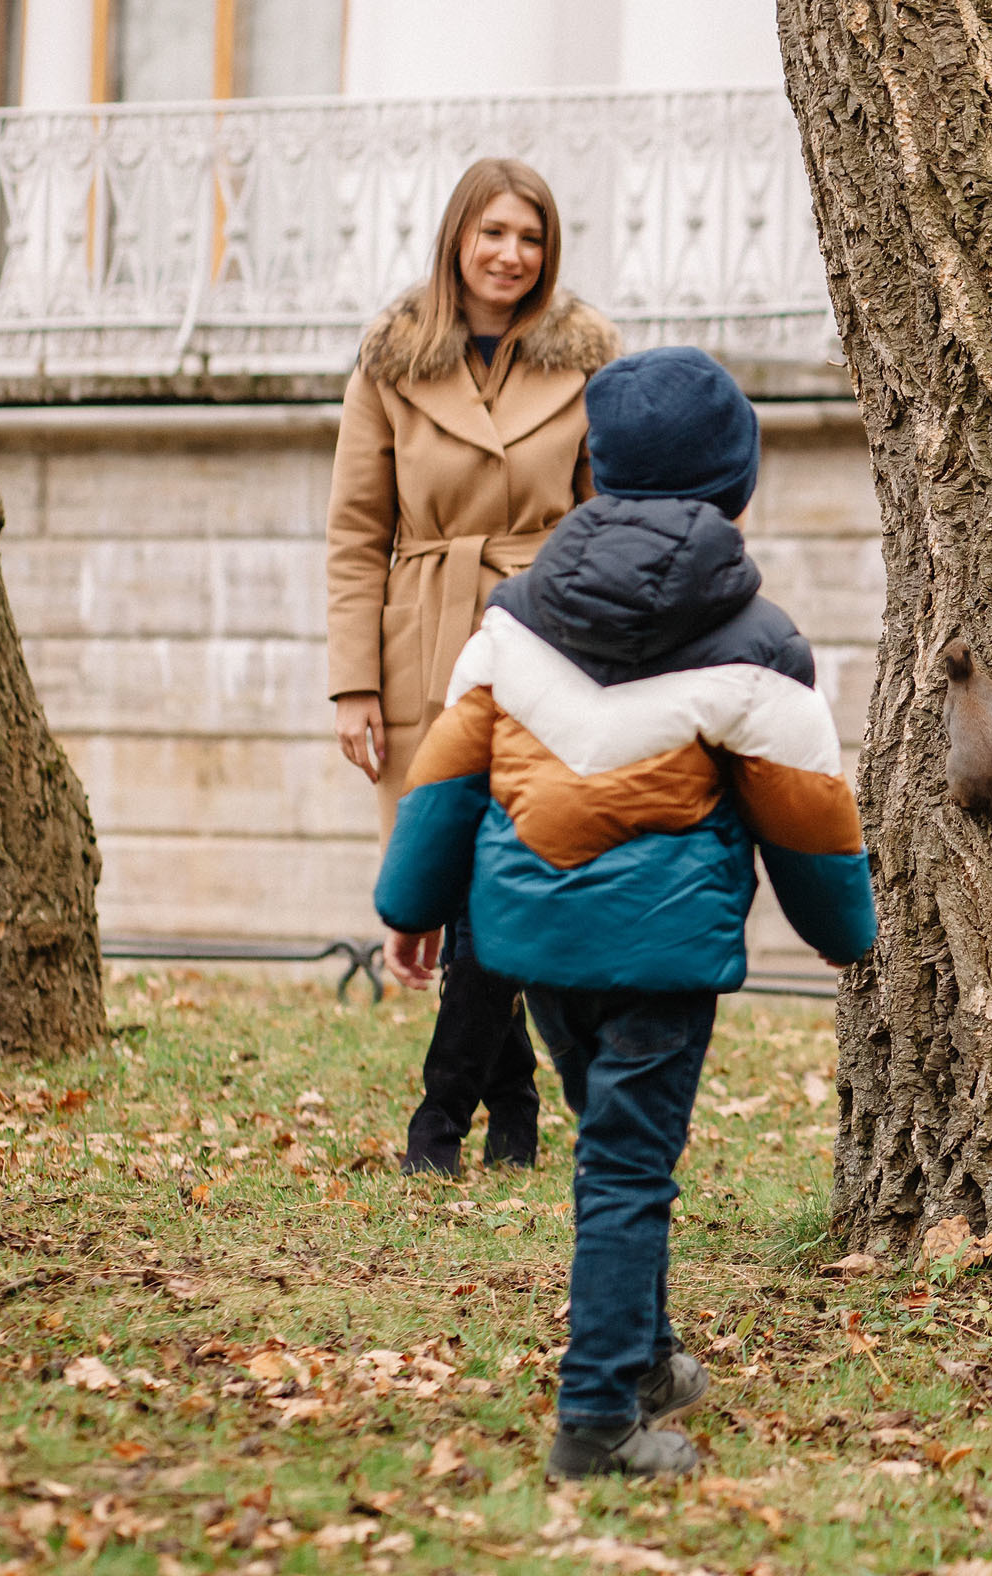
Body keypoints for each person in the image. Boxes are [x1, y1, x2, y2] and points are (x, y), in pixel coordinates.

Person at [374, 346, 876, 1477]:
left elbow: (448, 777)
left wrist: (412, 905)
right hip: (661, 952)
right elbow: (810, 819)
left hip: (534, 942)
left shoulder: (510, 623)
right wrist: (850, 938)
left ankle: (645, 1355)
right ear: (737, 488)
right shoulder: (765, 646)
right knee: (628, 1167)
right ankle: (597, 1418)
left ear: (591, 475)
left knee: (612, 1147)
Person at [325, 158, 621, 1176]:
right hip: (424, 643)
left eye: (530, 237)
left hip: (550, 643)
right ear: (458, 238)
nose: (511, 254)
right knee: (448, 871)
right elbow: (358, 533)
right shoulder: (391, 361)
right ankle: (512, 1102)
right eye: (493, 233)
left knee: (516, 873)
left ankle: (451, 1119)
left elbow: (611, 518)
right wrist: (352, 681)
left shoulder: (587, 362)